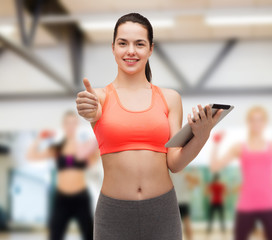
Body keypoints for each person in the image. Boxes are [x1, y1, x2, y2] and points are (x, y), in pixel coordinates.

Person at [76, 13, 222, 240]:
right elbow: (90, 110)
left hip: (162, 211)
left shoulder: (170, 98)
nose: (131, 51)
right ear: (113, 48)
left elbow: (174, 163)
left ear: (150, 49)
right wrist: (89, 112)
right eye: (123, 43)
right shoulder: (100, 98)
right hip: (113, 214)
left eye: (139, 44)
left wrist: (202, 134)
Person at [27, 111, 96, 240]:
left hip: (81, 198)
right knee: (55, 235)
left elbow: (94, 162)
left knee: (89, 235)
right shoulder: (57, 148)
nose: (70, 126)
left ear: (77, 125)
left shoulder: (84, 147)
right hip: (62, 199)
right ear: (63, 126)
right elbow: (31, 156)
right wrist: (39, 138)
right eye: (67, 123)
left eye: (73, 123)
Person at [210, 106, 272, 240]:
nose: (256, 124)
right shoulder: (239, 147)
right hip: (246, 204)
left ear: (265, 122)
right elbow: (215, 167)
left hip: (268, 203)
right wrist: (215, 143)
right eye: (253, 120)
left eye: (260, 120)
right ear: (248, 122)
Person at [171, 171, 199, 240]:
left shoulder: (171, 175)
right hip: (183, 202)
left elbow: (194, 184)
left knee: (175, 225)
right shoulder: (186, 175)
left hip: (176, 202)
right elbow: (196, 183)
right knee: (187, 224)